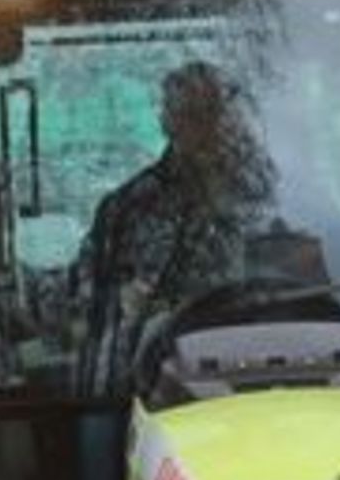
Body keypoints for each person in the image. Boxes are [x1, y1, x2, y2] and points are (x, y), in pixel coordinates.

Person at [72, 60, 275, 399]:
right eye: (190, 113)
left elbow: (305, 280)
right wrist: (130, 303)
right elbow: (87, 301)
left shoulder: (270, 197)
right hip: (144, 389)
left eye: (214, 112)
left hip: (268, 375)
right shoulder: (130, 208)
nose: (210, 127)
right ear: (168, 122)